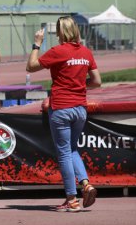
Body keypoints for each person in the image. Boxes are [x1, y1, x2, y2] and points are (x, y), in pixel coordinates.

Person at [26, 16, 101, 212]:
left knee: (64, 153)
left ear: (61, 33)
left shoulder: (58, 51)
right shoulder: (85, 52)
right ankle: (86, 184)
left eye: (57, 31)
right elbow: (97, 81)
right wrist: (78, 85)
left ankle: (71, 199)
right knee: (72, 149)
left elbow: (31, 66)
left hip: (61, 107)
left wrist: (37, 44)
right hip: (80, 108)